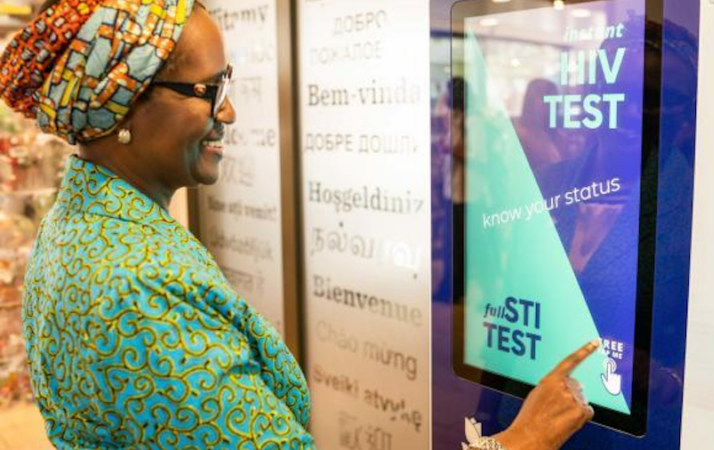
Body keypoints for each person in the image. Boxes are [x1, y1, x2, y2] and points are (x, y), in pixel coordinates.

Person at [0, 1, 597, 449]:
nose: (228, 111)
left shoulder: (81, 227)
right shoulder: (137, 292)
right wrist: (515, 443)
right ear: (120, 104)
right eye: (207, 89)